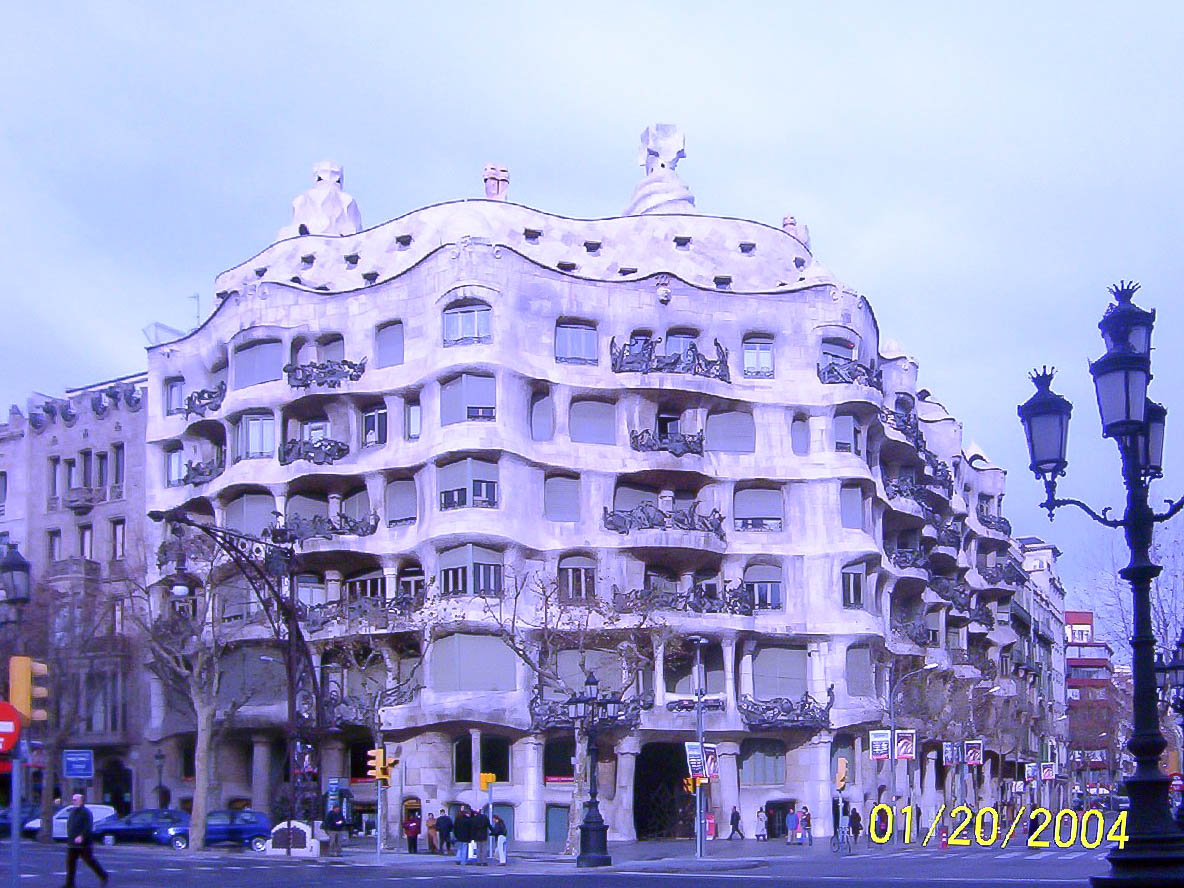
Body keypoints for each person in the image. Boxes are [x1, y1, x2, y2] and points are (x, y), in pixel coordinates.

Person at [63, 793, 108, 888]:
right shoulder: (73, 812)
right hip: (72, 843)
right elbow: (70, 825)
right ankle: (69, 884)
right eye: (73, 799)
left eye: (75, 800)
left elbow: (88, 827)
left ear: (81, 801)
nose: (73, 801)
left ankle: (103, 875)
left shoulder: (86, 812)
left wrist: (82, 836)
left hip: (83, 843)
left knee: (89, 860)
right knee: (70, 863)